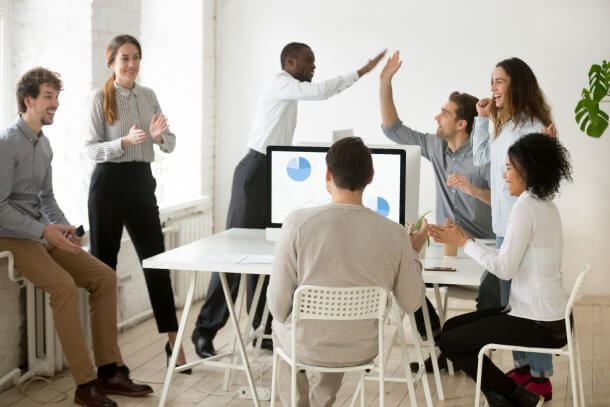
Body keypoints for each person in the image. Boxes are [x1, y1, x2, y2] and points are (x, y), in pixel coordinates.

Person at [191, 42, 387, 359]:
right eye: (309, 62)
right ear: (290, 61)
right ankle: (205, 330)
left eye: (315, 62)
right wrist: (361, 71)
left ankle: (263, 329)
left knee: (268, 253)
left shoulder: (290, 91)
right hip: (253, 172)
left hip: (272, 170)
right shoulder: (280, 83)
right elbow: (320, 92)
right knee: (233, 252)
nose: (313, 67)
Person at [0, 67, 153, 407]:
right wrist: (43, 231)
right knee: (64, 287)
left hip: (41, 230)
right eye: (48, 97)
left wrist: (64, 227)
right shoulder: (6, 142)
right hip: (11, 234)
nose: (55, 104)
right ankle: (85, 385)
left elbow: (46, 198)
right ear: (29, 100)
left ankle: (110, 371)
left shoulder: (44, 145)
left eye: (57, 96)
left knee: (104, 277)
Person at [268, 137, 427, 406]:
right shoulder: (395, 233)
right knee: (342, 323)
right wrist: (411, 252)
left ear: (327, 174)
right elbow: (412, 302)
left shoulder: (296, 223)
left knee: (278, 325)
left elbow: (278, 306)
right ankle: (322, 401)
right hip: (362, 347)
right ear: (371, 176)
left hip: (307, 345)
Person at [429, 133, 572, 407]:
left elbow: (504, 270)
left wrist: (464, 241)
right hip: (550, 320)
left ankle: (513, 394)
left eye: (508, 168)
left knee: (449, 341)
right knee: (451, 328)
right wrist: (465, 240)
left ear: (525, 171)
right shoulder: (546, 205)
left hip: (537, 324)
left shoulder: (526, 207)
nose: (504, 175)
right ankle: (501, 395)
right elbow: (510, 260)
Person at [379, 51, 496, 372]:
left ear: (461, 123)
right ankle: (445, 345)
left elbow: (504, 202)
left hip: (486, 246)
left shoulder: (485, 154)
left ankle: (459, 351)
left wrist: (472, 190)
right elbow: (393, 130)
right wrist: (384, 81)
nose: (436, 118)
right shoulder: (435, 146)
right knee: (407, 279)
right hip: (448, 248)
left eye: (443, 113)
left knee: (489, 302)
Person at [85, 34, 189, 372]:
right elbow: (90, 149)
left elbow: (169, 142)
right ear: (112, 63)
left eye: (136, 58)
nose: (132, 64)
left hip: (142, 184)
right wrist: (123, 143)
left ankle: (174, 343)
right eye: (125, 58)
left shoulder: (149, 96)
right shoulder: (99, 99)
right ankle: (108, 357)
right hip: (108, 185)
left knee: (156, 262)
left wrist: (160, 138)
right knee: (104, 269)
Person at [472, 57, 557, 400]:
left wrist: (549, 144)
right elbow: (480, 163)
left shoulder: (535, 126)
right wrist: (481, 120)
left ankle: (541, 375)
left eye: (499, 82)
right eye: (491, 82)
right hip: (503, 225)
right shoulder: (503, 125)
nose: (493, 88)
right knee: (512, 303)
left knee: (526, 303)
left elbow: (546, 179)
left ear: (517, 84)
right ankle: (523, 367)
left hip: (523, 223)